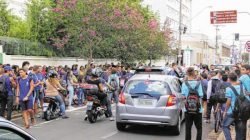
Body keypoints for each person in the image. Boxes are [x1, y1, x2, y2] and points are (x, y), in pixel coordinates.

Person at [223, 72, 250, 140]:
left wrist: (225, 111)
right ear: (236, 78)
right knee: (239, 129)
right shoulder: (243, 87)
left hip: (232, 111)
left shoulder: (229, 89)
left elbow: (228, 102)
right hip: (242, 111)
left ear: (229, 79)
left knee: (225, 126)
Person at [181, 67, 203, 140]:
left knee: (188, 128)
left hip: (187, 109)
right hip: (198, 110)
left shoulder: (184, 84)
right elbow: (201, 95)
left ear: (187, 73)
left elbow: (183, 97)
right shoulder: (198, 83)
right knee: (199, 128)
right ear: (194, 73)